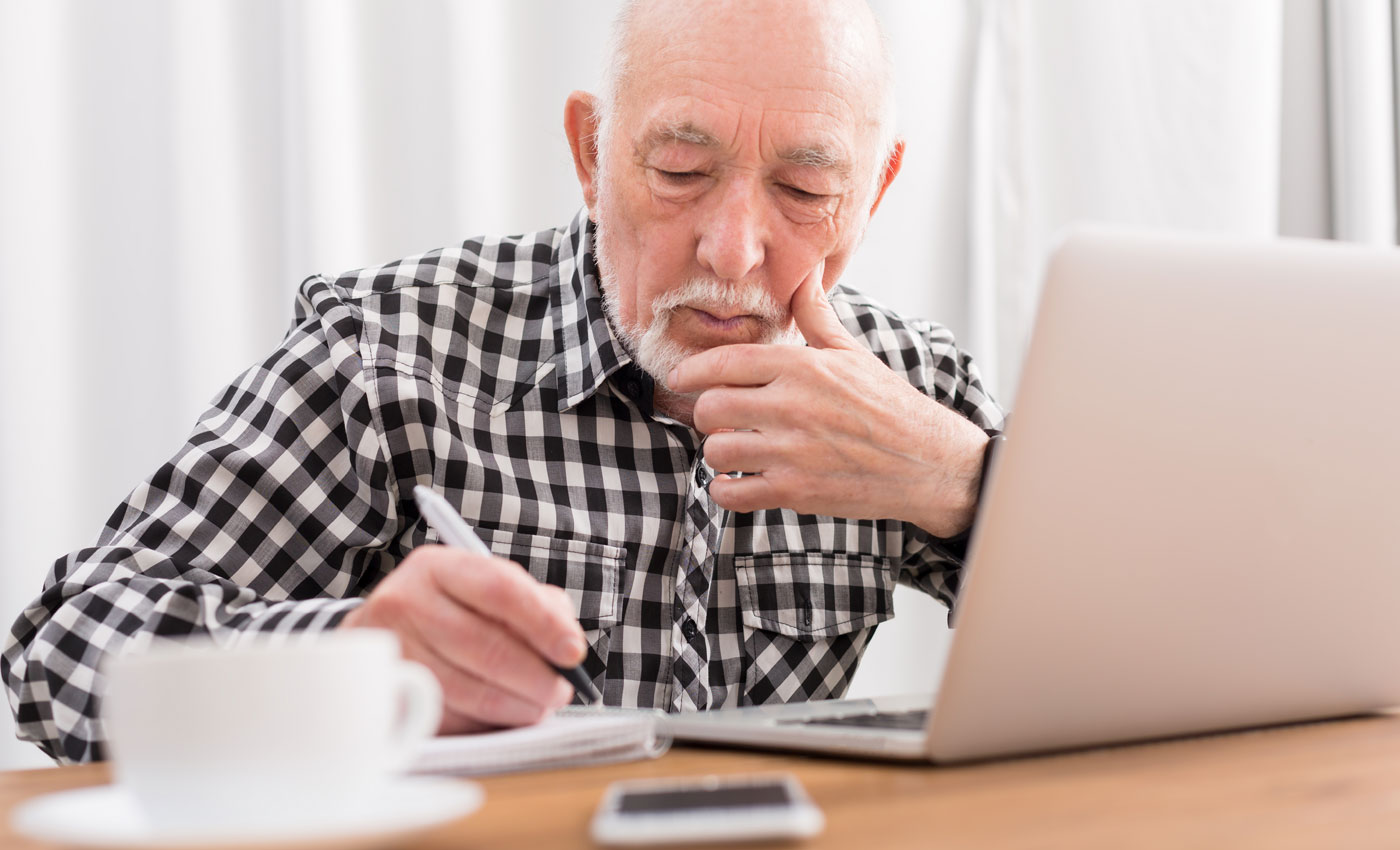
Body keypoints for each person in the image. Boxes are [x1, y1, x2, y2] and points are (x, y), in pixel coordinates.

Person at [3, 0, 1004, 764]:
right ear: (591, 153)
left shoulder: (910, 382)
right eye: (679, 171)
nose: (734, 250)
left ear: (873, 191)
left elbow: (1101, 649)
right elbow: (64, 650)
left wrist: (961, 479)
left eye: (803, 189)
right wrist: (348, 660)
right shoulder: (391, 352)